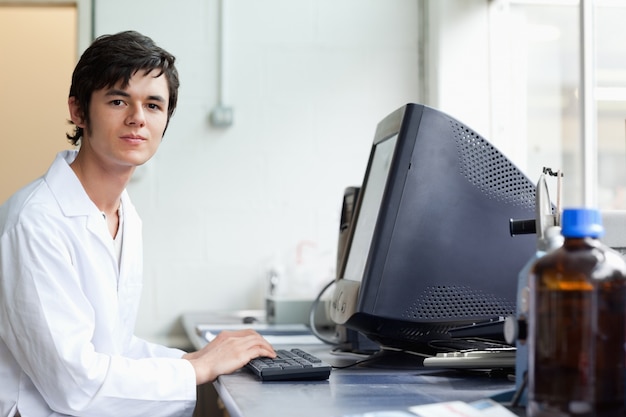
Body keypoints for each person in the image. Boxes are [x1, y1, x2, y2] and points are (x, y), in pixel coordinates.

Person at [0, 30, 275, 417]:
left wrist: (200, 358)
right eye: (118, 100)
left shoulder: (124, 214)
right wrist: (197, 368)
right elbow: (75, 384)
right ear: (78, 111)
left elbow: (113, 348)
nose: (137, 119)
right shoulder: (35, 222)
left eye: (153, 105)